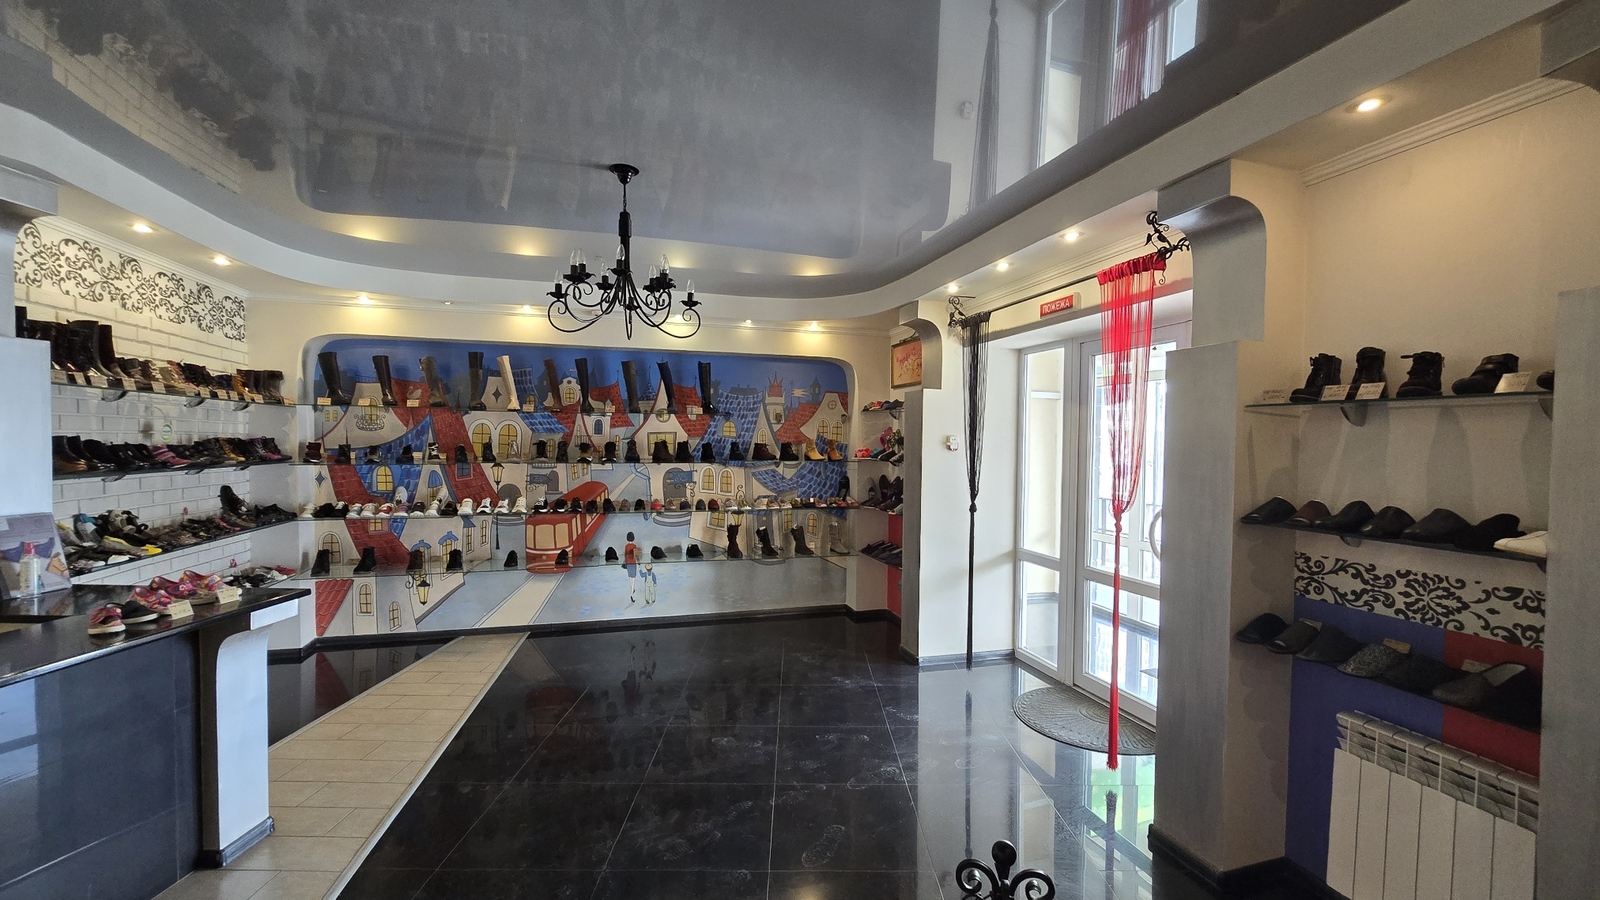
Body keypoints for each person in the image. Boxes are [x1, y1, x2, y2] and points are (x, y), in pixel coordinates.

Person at [623, 531, 640, 601]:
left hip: (628, 563)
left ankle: (632, 589)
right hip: (633, 563)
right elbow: (636, 555)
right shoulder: (634, 546)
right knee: (633, 578)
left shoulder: (626, 546)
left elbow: (625, 555)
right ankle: (631, 594)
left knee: (630, 577)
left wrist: (625, 562)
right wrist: (639, 563)